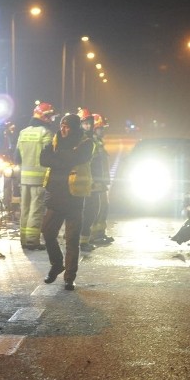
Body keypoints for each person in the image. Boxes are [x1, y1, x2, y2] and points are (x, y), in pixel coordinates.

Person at [39, 113, 94, 291]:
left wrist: (57, 158)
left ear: (75, 128)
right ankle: (57, 265)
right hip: (55, 195)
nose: (63, 129)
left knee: (72, 240)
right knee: (47, 232)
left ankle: (69, 277)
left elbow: (76, 159)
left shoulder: (86, 143)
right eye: (62, 125)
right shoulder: (55, 139)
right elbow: (43, 159)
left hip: (74, 198)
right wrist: (63, 157)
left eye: (67, 126)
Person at [14, 101, 56, 250]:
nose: (51, 119)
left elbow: (17, 157)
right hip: (39, 178)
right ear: (43, 117)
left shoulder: (23, 132)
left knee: (24, 208)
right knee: (36, 209)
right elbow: (49, 156)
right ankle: (32, 240)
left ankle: (24, 239)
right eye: (49, 116)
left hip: (24, 177)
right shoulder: (46, 133)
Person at [88, 113, 114, 246]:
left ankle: (99, 234)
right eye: (101, 128)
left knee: (103, 206)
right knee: (97, 208)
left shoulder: (97, 142)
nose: (103, 131)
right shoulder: (92, 143)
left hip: (101, 182)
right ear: (94, 128)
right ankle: (92, 235)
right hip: (96, 182)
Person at [77, 108, 99, 251]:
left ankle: (84, 239)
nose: (89, 126)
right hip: (82, 182)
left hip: (91, 180)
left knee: (92, 210)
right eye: (85, 123)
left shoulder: (92, 139)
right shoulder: (81, 140)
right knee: (85, 212)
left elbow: (97, 163)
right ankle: (82, 241)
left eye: (90, 123)